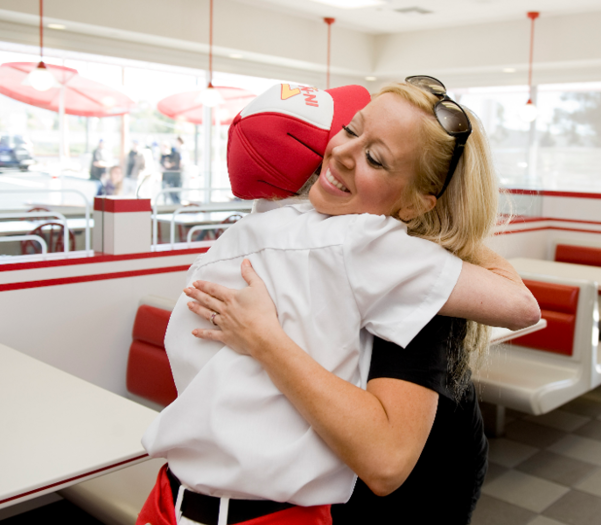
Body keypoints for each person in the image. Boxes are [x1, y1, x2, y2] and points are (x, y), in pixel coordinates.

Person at [138, 80, 539, 525]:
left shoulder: (265, 239)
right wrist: (439, 225)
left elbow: (387, 462)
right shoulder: (289, 234)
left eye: (375, 159)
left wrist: (266, 341)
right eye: (350, 130)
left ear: (413, 204)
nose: (342, 153)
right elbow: (520, 301)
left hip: (407, 494)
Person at [162, 139, 182, 204]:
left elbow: (175, 164)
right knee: (166, 194)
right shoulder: (163, 156)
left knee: (175, 194)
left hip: (175, 178)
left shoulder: (175, 154)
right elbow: (164, 165)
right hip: (167, 178)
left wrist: (169, 164)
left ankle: (177, 206)